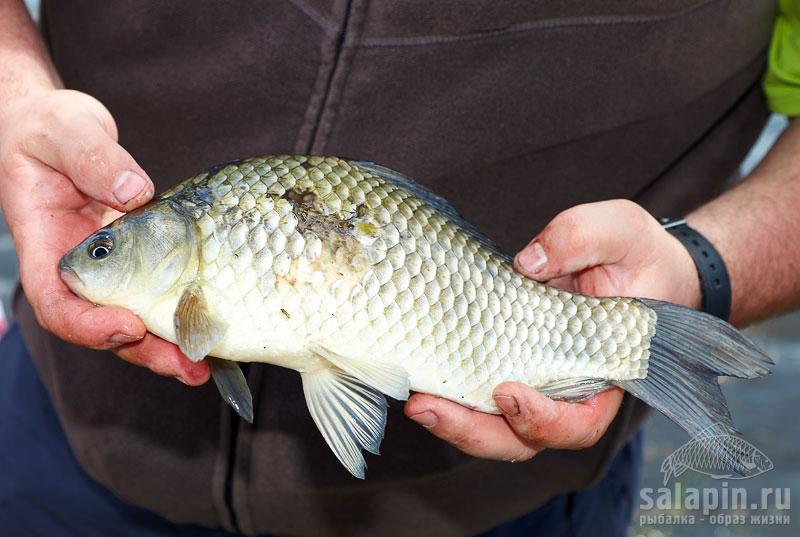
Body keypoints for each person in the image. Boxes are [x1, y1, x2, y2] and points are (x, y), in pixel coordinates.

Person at [0, 1, 796, 536]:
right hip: (55, 441)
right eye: (103, 248)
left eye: (104, 249)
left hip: (500, 511)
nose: (91, 260)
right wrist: (14, 98)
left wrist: (705, 269)